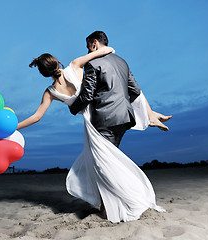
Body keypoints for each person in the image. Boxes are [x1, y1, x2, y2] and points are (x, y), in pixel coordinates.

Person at [17, 31, 171, 223]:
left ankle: (119, 202)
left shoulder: (49, 92)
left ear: (43, 73)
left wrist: (15, 127)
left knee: (103, 164)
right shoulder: (74, 65)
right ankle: (109, 204)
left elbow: (37, 117)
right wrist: (109, 49)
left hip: (93, 123)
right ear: (57, 62)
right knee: (103, 163)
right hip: (98, 115)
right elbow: (99, 53)